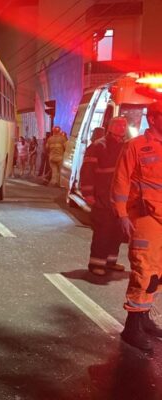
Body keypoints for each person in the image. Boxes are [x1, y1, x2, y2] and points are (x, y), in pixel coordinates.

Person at [112, 102, 162, 353]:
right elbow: (120, 181)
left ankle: (143, 318)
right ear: (153, 119)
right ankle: (132, 326)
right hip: (145, 218)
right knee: (143, 269)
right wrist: (121, 215)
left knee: (158, 273)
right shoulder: (136, 146)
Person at [80, 118, 128, 276]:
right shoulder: (98, 146)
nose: (122, 128)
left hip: (119, 197)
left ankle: (110, 261)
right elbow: (87, 170)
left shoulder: (126, 145)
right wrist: (88, 194)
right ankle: (96, 264)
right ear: (110, 127)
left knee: (117, 231)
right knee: (103, 231)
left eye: (124, 125)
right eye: (118, 125)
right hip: (103, 195)